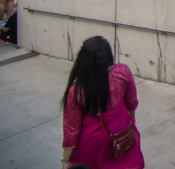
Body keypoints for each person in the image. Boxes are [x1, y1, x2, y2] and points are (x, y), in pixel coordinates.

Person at [61, 35, 144, 169]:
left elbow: (72, 129)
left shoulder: (76, 90)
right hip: (120, 137)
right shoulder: (122, 73)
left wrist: (65, 160)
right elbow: (131, 103)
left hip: (92, 146)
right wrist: (130, 124)